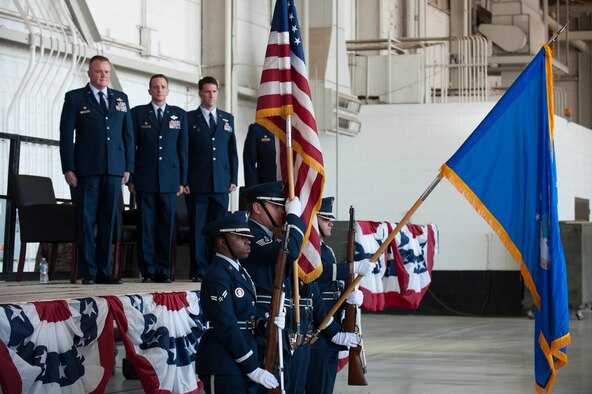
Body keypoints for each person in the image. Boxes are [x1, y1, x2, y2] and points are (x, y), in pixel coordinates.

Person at [240, 182, 358, 393]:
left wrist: (332, 328)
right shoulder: (250, 236)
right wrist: (295, 219)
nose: (282, 211)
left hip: (292, 331)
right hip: (263, 327)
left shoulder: (273, 236)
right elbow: (289, 253)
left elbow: (307, 283)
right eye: (277, 206)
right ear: (257, 208)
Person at [59, 55, 134, 285]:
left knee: (108, 220)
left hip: (114, 170)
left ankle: (104, 270)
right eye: (99, 71)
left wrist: (128, 167)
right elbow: (65, 136)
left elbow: (128, 136)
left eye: (107, 72)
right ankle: (88, 271)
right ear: (89, 73)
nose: (103, 75)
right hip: (86, 170)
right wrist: (68, 168)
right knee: (86, 220)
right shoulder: (74, 98)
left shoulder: (120, 98)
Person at [196, 211, 283, 393]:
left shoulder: (238, 271)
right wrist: (251, 367)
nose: (248, 241)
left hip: (242, 358)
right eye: (240, 237)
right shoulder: (217, 276)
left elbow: (245, 314)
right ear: (222, 242)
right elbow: (226, 325)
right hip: (223, 363)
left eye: (248, 237)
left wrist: (263, 324)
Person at [306, 197, 376, 393]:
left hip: (331, 332)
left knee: (326, 388)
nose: (331, 223)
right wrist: (351, 267)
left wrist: (349, 298)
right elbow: (319, 276)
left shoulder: (326, 250)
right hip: (319, 333)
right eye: (325, 218)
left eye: (331, 219)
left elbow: (332, 285)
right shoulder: (310, 250)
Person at [129, 74, 188, 283]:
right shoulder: (137, 114)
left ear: (168, 90)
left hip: (170, 180)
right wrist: (131, 178)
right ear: (149, 91)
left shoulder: (179, 115)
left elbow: (183, 150)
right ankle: (148, 270)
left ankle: (164, 270)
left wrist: (183, 180)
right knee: (146, 226)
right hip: (145, 178)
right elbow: (131, 147)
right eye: (155, 87)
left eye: (163, 87)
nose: (159, 90)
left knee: (166, 226)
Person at [185, 76, 238, 282]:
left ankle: (217, 267)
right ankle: (199, 268)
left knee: (219, 229)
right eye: (207, 91)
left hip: (221, 182)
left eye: (214, 91)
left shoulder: (227, 119)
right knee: (198, 227)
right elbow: (185, 152)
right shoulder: (189, 118)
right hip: (197, 182)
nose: (211, 95)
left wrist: (233, 176)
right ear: (200, 93)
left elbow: (232, 151)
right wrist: (184, 179)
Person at [243, 123, 277, 188]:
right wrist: (253, 190)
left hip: (291, 186)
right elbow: (249, 162)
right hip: (267, 186)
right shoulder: (257, 129)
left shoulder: (290, 127)